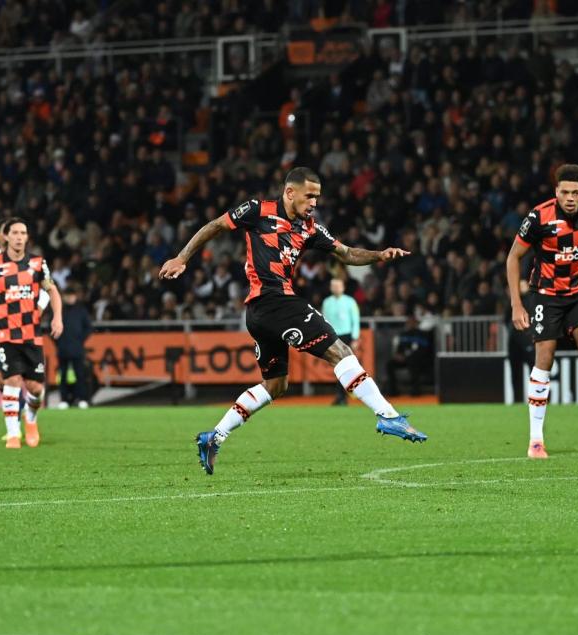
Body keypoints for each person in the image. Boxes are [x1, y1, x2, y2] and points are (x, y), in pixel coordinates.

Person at [158, 166, 427, 475]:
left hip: (261, 313)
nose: (314, 203)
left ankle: (214, 437)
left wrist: (380, 255)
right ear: (290, 192)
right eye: (309, 196)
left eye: (317, 197)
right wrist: (182, 258)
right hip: (274, 301)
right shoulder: (258, 210)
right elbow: (215, 226)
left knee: (275, 385)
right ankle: (388, 414)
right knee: (340, 352)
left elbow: (348, 254)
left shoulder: (310, 229)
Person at [505, 163, 578, 460]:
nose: (570, 197)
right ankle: (536, 441)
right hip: (545, 295)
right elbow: (513, 257)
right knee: (544, 359)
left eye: (576, 192)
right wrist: (517, 305)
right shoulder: (538, 217)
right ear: (556, 191)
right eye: (565, 192)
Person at [0, 218, 63, 449]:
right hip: (4, 334)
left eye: (23, 232)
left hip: (31, 334)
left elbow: (52, 290)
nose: (19, 237)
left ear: (27, 237)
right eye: (14, 232)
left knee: (36, 390)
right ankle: (13, 434)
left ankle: (30, 420)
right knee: (11, 381)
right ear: (7, 236)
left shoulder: (37, 263)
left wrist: (57, 317)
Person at [321, 277, 360, 405]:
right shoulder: (326, 302)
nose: (336, 288)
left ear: (342, 287)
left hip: (347, 336)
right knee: (338, 367)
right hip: (332, 336)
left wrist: (355, 337)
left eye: (338, 285)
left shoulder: (350, 301)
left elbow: (355, 320)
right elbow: (323, 320)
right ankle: (341, 396)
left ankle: (342, 396)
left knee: (345, 366)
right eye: (334, 286)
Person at [55, 283, 93, 409]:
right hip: (63, 348)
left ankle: (82, 399)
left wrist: (80, 339)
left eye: (71, 296)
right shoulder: (59, 310)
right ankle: (64, 400)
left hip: (77, 349)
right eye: (67, 296)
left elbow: (88, 328)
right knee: (63, 376)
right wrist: (58, 341)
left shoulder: (81, 310)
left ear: (75, 296)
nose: (70, 298)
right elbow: (53, 327)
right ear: (64, 296)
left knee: (80, 375)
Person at [386, 316, 433, 396]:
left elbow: (423, 351)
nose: (410, 324)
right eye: (408, 323)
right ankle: (393, 390)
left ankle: (415, 390)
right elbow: (399, 348)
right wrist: (398, 355)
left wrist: (407, 357)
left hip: (419, 360)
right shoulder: (403, 334)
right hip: (403, 359)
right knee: (390, 364)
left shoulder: (422, 334)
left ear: (416, 323)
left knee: (413, 362)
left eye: (412, 322)